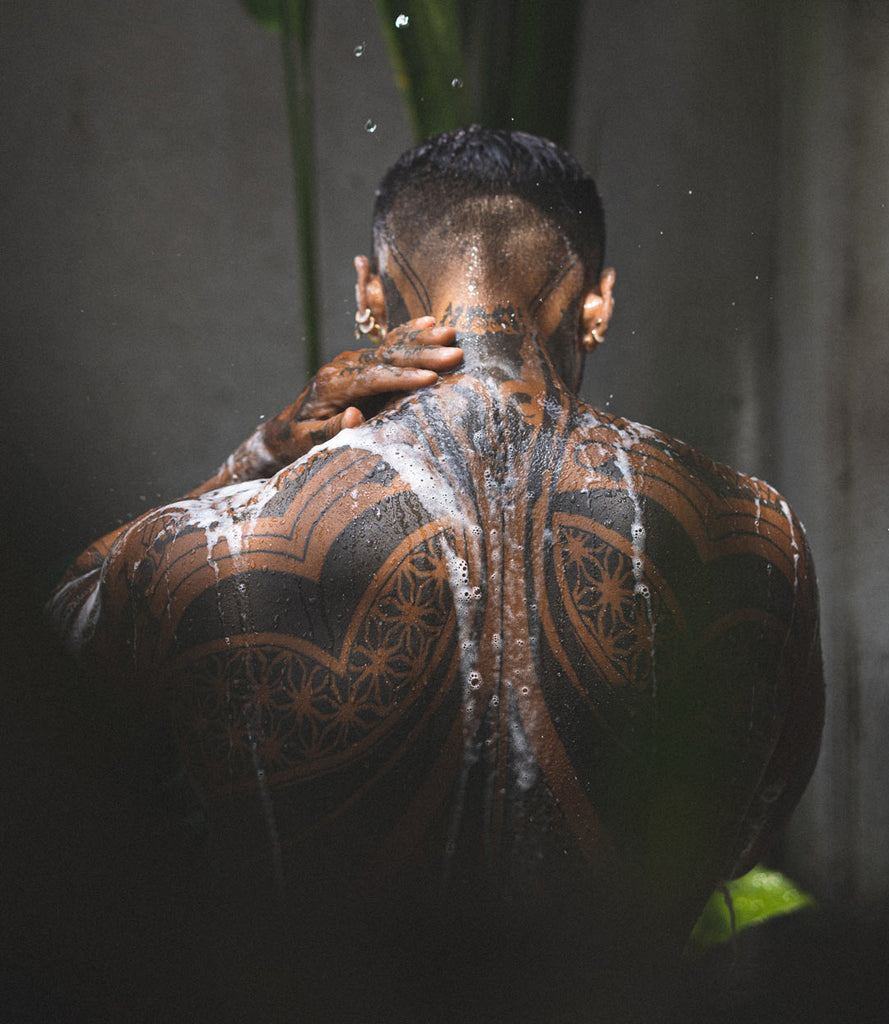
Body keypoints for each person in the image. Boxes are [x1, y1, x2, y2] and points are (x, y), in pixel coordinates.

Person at [47, 126, 823, 971]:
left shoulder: (218, 545)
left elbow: (58, 668)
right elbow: (744, 832)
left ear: (368, 296)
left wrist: (254, 460)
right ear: (597, 302)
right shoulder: (753, 531)